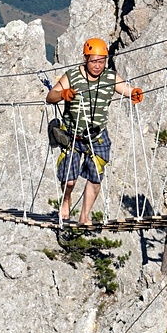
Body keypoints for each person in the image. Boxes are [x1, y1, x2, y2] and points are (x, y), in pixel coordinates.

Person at [45, 37, 143, 225]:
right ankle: (66, 200)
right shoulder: (72, 76)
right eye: (94, 61)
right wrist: (63, 94)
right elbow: (50, 97)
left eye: (102, 61)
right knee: (70, 180)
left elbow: (125, 89)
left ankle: (84, 216)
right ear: (85, 58)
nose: (98, 65)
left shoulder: (110, 77)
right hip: (72, 136)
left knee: (95, 178)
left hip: (97, 137)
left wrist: (134, 93)